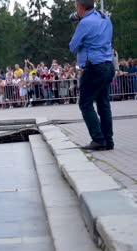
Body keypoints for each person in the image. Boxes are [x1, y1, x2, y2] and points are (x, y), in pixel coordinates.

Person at [69, 0, 115, 151]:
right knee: (103, 104)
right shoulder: (105, 18)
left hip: (94, 67)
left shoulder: (85, 23)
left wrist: (84, 43)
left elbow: (73, 46)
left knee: (85, 103)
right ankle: (108, 141)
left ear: (80, 7)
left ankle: (98, 139)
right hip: (108, 65)